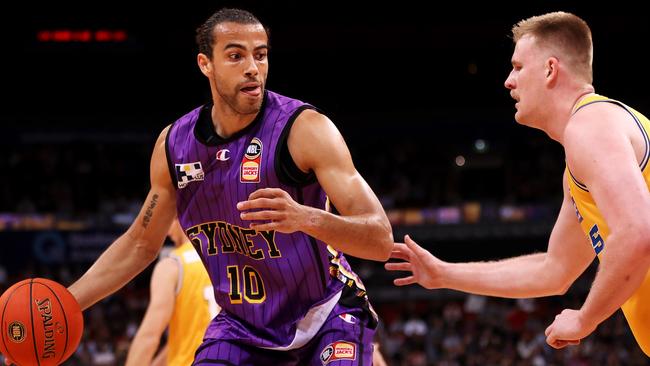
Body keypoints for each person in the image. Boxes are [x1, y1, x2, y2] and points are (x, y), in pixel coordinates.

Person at [33, 7, 393, 366]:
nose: (253, 67)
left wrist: (305, 218)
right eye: (236, 55)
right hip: (242, 329)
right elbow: (140, 243)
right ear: (205, 64)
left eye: (261, 55)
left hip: (327, 315)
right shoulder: (174, 146)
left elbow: (379, 239)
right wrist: (65, 303)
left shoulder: (305, 130)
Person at [386, 11, 650, 356]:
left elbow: (638, 233)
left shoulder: (590, 124)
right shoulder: (585, 153)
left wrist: (586, 318)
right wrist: (442, 274)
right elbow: (553, 270)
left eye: (518, 67)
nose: (509, 81)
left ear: (550, 69)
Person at [125, 219, 219, 366]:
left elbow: (149, 337)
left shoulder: (173, 265)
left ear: (178, 216)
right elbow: (186, 338)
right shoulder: (230, 260)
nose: (168, 232)